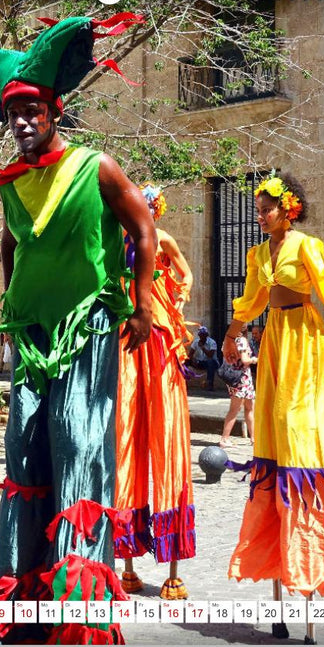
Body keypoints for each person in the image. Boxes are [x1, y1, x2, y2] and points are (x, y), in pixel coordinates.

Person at [0, 12, 153, 645]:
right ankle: (26, 601)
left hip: (87, 334)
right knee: (26, 456)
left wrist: (141, 305)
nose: (22, 122)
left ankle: (77, 617)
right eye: (13, 114)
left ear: (53, 113)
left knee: (79, 453)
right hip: (33, 340)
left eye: (32, 111)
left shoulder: (95, 167)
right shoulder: (13, 184)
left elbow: (142, 227)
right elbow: (9, 244)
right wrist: (10, 308)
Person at [222, 173, 324, 644]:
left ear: (287, 209)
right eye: (256, 208)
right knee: (273, 433)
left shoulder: (306, 246)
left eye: (266, 208)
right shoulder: (258, 255)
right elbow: (252, 301)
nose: (259, 215)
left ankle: (309, 568)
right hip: (275, 339)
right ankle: (278, 598)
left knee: (299, 430)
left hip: (306, 341)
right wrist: (233, 336)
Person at [114, 184, 196, 600]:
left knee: (166, 440)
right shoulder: (122, 239)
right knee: (125, 435)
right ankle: (126, 565)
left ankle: (172, 570)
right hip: (128, 331)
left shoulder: (162, 239)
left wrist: (177, 301)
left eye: (147, 207)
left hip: (160, 332)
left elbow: (188, 273)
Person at [218, 323, 257, 449]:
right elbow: (245, 360)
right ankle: (225, 438)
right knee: (237, 409)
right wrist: (255, 359)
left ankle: (254, 438)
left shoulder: (227, 341)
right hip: (242, 378)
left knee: (249, 407)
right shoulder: (242, 341)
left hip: (233, 377)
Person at [189, 326, 220, 390]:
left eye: (203, 335)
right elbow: (190, 354)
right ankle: (185, 382)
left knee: (210, 362)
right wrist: (192, 360)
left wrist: (202, 347)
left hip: (212, 363)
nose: (201, 337)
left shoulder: (212, 342)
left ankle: (210, 384)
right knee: (185, 361)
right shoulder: (196, 342)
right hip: (201, 362)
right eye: (200, 335)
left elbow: (210, 355)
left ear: (207, 335)